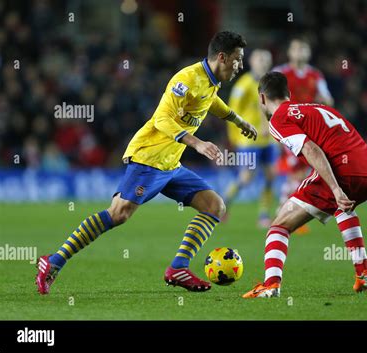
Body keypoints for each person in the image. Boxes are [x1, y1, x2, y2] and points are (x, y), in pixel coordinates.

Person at [36, 31, 257, 294]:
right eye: (237, 59)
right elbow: (162, 119)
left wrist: (237, 120)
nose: (240, 65)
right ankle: (53, 261)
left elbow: (210, 102)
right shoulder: (186, 79)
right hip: (149, 157)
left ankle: (178, 268)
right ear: (222, 57)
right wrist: (197, 143)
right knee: (118, 214)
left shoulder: (210, 82)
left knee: (215, 206)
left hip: (171, 163)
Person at [242, 72, 367, 298]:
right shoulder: (318, 108)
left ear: (262, 99)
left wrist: (336, 188)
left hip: (343, 171)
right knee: (343, 206)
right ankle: (364, 272)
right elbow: (355, 143)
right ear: (289, 95)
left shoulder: (278, 119)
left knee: (279, 225)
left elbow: (310, 149)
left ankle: (271, 285)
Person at [273, 37, 335, 234]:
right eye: (296, 48)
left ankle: (283, 210)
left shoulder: (315, 75)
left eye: (303, 48)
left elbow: (327, 98)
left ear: (308, 53)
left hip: (309, 128)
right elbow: (266, 97)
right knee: (297, 169)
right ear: (290, 52)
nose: (300, 52)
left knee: (300, 170)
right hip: (287, 126)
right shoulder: (281, 72)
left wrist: (325, 100)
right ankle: (283, 212)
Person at [224, 49, 277, 228]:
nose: (263, 62)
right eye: (259, 59)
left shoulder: (272, 84)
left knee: (271, 176)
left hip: (269, 139)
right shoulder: (243, 84)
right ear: (252, 62)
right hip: (248, 140)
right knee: (247, 178)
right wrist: (234, 137)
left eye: (266, 59)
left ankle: (263, 215)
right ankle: (224, 203)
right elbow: (231, 111)